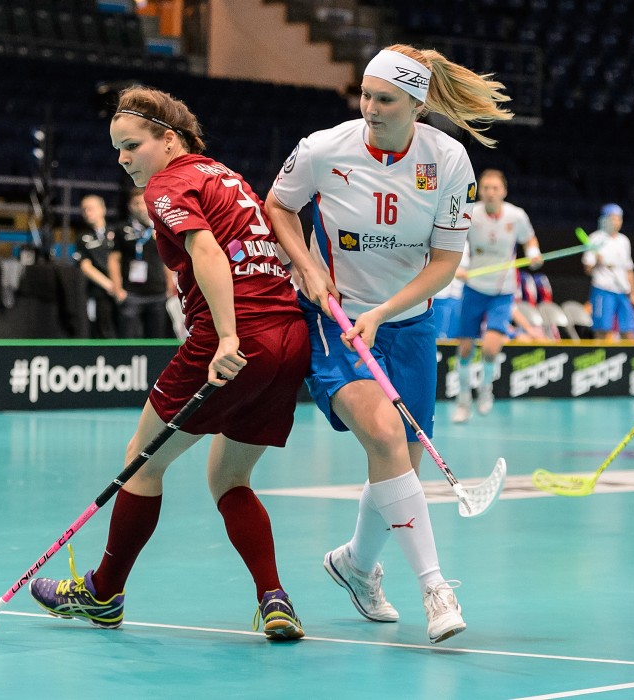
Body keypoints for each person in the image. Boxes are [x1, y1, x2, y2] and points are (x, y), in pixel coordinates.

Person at [29, 85, 311, 640]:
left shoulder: (168, 185)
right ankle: (273, 597)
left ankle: (103, 593)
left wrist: (226, 337)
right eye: (117, 149)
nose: (122, 159)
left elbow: (206, 251)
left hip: (234, 341)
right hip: (288, 338)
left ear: (169, 139)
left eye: (132, 145)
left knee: (141, 462)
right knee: (229, 477)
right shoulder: (225, 176)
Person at [264, 44, 512, 643]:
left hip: (409, 323)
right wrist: (308, 268)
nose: (370, 108)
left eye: (386, 100)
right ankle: (435, 587)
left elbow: (445, 262)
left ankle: (355, 564)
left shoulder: (448, 159)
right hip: (335, 319)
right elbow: (278, 206)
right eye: (366, 95)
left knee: (400, 462)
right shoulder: (324, 149)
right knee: (383, 434)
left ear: (418, 106)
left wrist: (383, 313)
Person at [452, 169, 541, 422]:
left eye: (495, 188)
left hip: (502, 292)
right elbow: (456, 241)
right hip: (473, 288)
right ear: (479, 191)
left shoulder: (516, 215)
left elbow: (530, 239)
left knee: (491, 349)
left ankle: (485, 390)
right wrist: (459, 267)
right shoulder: (471, 213)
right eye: (486, 188)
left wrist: (533, 254)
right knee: (465, 349)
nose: (490, 192)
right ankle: (463, 399)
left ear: (504, 191)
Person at [109, 187, 172, 338]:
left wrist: (170, 284)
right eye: (136, 203)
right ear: (130, 206)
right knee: (128, 342)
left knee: (156, 342)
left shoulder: (160, 228)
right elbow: (114, 260)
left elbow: (168, 258)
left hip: (158, 293)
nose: (141, 207)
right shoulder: (121, 230)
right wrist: (118, 289)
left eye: (144, 203)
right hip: (131, 294)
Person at [582, 203, 634, 340]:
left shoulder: (624, 241)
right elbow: (587, 269)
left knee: (629, 330)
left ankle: (628, 354)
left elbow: (629, 270)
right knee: (602, 330)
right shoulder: (595, 238)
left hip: (623, 291)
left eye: (619, 218)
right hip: (603, 290)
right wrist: (597, 261)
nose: (616, 222)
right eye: (612, 218)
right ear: (604, 220)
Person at [73, 194, 121, 338]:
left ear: (102, 209)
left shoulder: (118, 232)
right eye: (84, 210)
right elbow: (85, 266)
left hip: (124, 289)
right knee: (103, 331)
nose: (87, 212)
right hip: (100, 292)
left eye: (91, 208)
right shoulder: (82, 237)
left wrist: (118, 285)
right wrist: (109, 285)